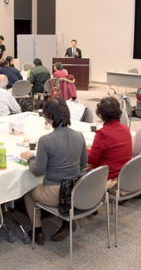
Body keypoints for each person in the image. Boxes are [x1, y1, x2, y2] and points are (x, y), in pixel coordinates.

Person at [20, 98, 87, 245]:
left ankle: (37, 231)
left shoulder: (45, 140)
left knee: (27, 192)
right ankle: (65, 222)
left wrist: (31, 158)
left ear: (48, 117)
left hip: (57, 192)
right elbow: (83, 164)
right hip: (77, 188)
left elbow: (38, 171)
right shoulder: (80, 135)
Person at [88, 97, 132, 189]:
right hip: (122, 173)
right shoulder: (126, 129)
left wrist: (83, 149)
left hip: (107, 176)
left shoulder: (103, 134)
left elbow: (91, 160)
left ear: (101, 115)